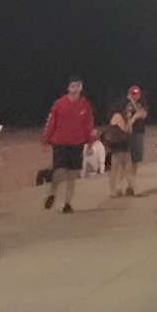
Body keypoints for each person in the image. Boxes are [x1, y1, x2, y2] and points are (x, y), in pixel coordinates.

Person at [42, 77, 96, 213]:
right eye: (73, 86)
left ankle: (67, 203)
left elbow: (89, 124)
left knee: (73, 173)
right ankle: (53, 192)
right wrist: (46, 138)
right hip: (60, 142)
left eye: (78, 86)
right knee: (59, 170)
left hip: (77, 142)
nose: (75, 89)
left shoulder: (85, 104)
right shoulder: (59, 104)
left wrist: (90, 142)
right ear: (68, 88)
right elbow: (51, 121)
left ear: (81, 88)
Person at [102, 99, 133, 197]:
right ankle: (113, 191)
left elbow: (130, 131)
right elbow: (125, 129)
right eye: (128, 106)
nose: (130, 108)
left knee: (127, 166)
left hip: (124, 143)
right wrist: (132, 119)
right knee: (114, 168)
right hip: (117, 145)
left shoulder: (125, 116)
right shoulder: (117, 116)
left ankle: (125, 187)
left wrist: (129, 118)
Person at [122, 85, 149, 195]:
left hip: (138, 132)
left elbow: (143, 115)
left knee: (135, 161)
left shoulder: (142, 102)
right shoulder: (124, 103)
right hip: (128, 133)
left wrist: (134, 105)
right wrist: (135, 114)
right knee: (127, 161)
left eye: (137, 94)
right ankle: (128, 186)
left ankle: (130, 186)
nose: (135, 96)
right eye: (133, 94)